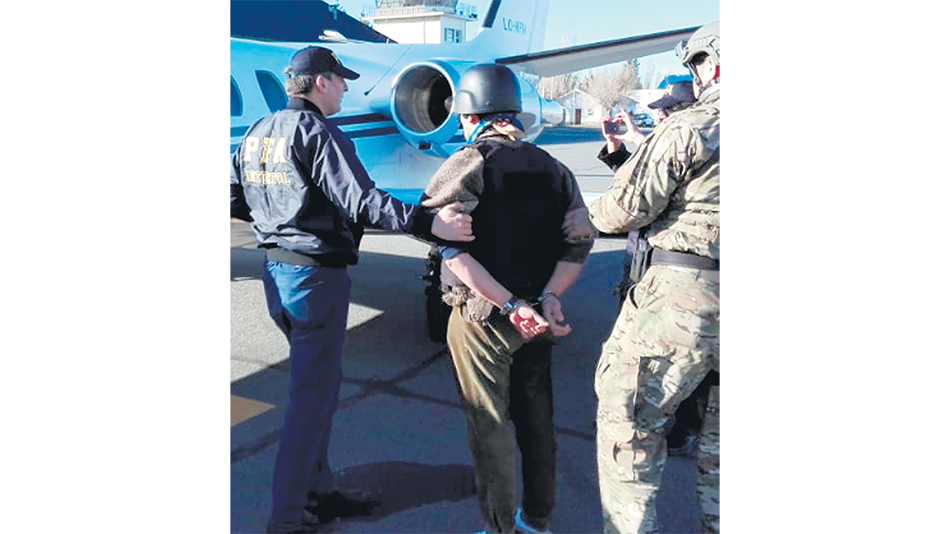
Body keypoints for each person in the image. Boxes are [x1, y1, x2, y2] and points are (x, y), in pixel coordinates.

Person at [229, 45, 476, 534]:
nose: (346, 88)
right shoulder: (319, 133)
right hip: (315, 278)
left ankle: (318, 495)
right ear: (320, 82)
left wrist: (279, 222)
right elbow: (363, 202)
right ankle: (287, 518)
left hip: (278, 277)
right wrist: (431, 224)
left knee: (314, 392)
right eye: (340, 80)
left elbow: (233, 197)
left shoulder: (259, 132)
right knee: (309, 401)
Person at [418, 64, 595, 534]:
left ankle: (499, 528)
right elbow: (578, 244)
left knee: (489, 426)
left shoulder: (468, 162)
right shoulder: (555, 169)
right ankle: (537, 521)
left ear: (473, 114)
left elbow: (449, 247)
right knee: (537, 422)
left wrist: (509, 304)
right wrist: (548, 298)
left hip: (485, 320)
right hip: (539, 317)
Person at [586, 21, 720, 534]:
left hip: (685, 301)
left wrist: (578, 221)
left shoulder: (693, 125)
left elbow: (625, 209)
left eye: (696, 65)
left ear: (714, 64)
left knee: (630, 435)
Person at [597, 80, 716, 459]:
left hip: (673, 278)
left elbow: (640, 202)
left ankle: (677, 430)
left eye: (668, 109)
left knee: (679, 368)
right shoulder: (679, 145)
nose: (661, 115)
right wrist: (620, 150)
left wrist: (584, 221)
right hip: (644, 267)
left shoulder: (688, 141)